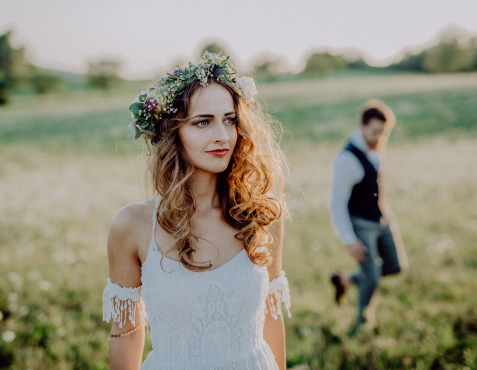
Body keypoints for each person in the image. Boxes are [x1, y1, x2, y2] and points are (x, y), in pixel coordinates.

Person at [102, 52, 291, 370]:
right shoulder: (132, 225)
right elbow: (127, 334)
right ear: (172, 132)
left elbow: (271, 321)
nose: (223, 135)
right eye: (203, 121)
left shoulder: (261, 217)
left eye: (229, 120)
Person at [328, 100, 407, 336]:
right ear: (361, 125)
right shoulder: (345, 160)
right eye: (374, 131)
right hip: (361, 224)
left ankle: (345, 279)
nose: (379, 136)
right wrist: (348, 239)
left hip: (383, 219)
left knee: (396, 266)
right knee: (371, 278)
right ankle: (362, 323)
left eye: (384, 132)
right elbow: (336, 203)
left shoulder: (377, 149)